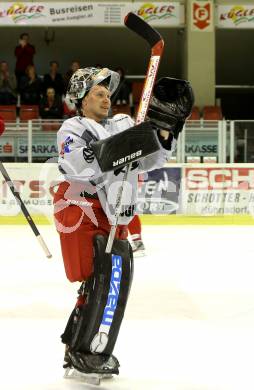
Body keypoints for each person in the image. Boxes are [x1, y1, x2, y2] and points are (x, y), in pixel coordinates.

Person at [53, 67, 193, 379]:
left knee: (108, 277)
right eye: (98, 94)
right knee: (93, 275)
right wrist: (123, 145)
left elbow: (151, 160)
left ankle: (81, 345)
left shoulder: (122, 123)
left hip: (112, 207)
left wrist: (162, 130)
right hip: (81, 205)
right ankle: (81, 349)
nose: (106, 99)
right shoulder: (72, 128)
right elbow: (76, 167)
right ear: (80, 99)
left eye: (107, 94)